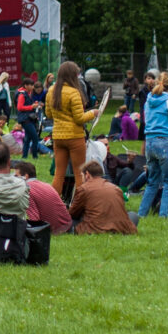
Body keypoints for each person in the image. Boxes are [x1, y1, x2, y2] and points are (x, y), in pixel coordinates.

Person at [47, 61, 98, 202]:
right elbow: (79, 118)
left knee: (59, 173)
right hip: (75, 137)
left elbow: (49, 114)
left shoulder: (51, 91)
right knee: (79, 173)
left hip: (58, 136)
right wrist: (93, 113)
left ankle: (54, 205)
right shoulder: (74, 92)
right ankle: (79, 205)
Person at [135, 72, 168, 222]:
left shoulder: (149, 100)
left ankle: (141, 214)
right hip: (164, 143)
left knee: (152, 182)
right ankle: (163, 216)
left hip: (149, 142)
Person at [68, 154, 136, 234]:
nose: (82, 179)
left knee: (68, 221)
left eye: (82, 176)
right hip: (120, 228)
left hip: (95, 228)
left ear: (87, 175)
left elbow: (73, 214)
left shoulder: (84, 189)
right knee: (133, 215)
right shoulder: (116, 188)